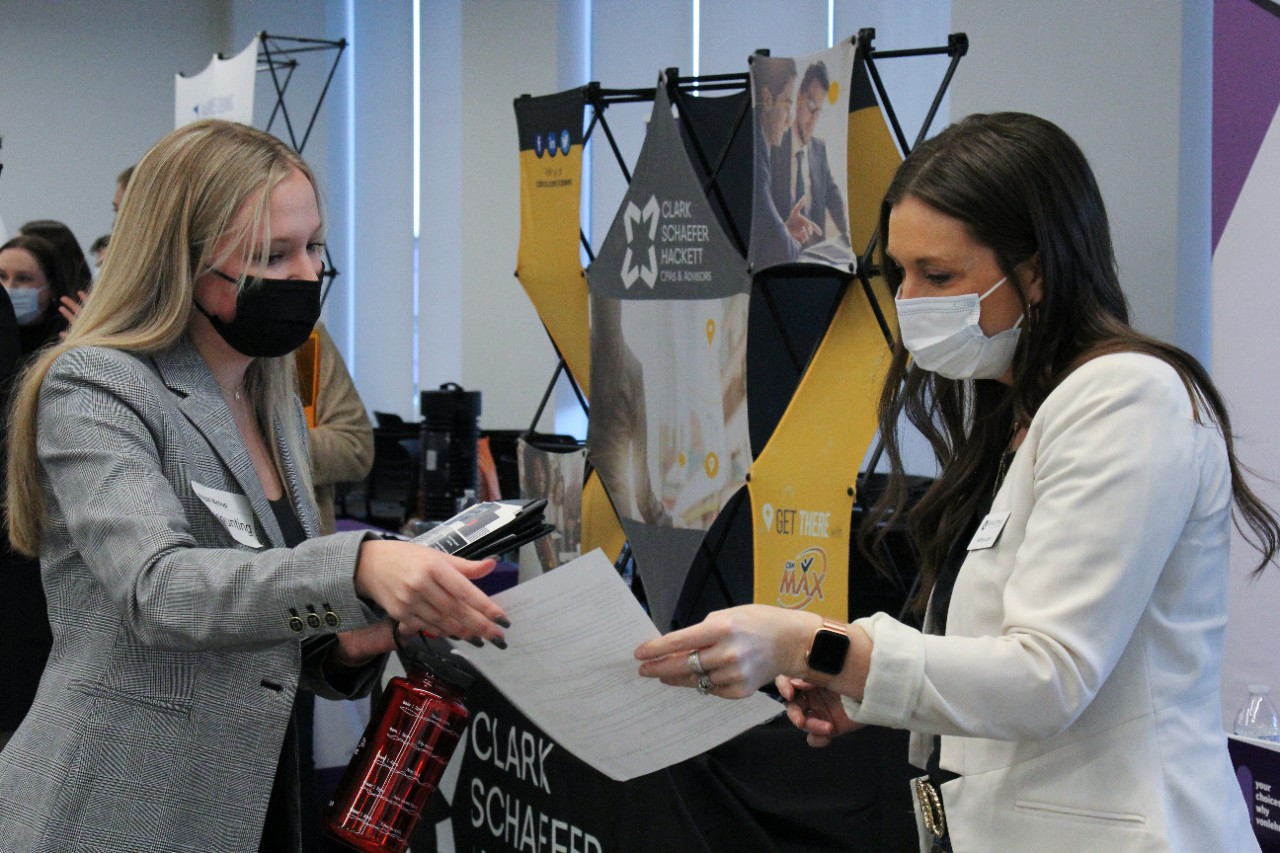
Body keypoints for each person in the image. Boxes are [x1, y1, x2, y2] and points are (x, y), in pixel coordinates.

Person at [636, 112, 1277, 852]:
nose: (910, 300)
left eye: (938, 276)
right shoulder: (1022, 415)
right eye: (900, 274)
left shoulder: (1126, 399)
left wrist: (809, 645)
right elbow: (996, 659)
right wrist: (862, 688)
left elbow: (1046, 676)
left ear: (1036, 271)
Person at [0, 119, 509, 851]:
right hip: (117, 804)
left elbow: (257, 618)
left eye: (314, 247)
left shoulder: (268, 392)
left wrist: (346, 644)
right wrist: (356, 564)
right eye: (272, 254)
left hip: (244, 801)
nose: (304, 274)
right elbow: (159, 590)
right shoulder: (98, 385)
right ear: (181, 261)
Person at [748, 55, 820, 270]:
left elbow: (767, 233)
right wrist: (795, 245)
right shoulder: (756, 154)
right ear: (767, 98)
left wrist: (784, 230)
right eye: (787, 106)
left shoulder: (761, 147)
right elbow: (780, 248)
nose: (789, 121)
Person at [772, 61, 848, 248]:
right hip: (782, 252)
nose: (814, 119)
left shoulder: (819, 149)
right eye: (811, 106)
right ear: (799, 97)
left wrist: (849, 235)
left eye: (819, 112)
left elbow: (833, 197)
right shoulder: (775, 145)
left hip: (815, 254)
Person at [0, 233, 71, 354]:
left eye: (23, 278)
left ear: (52, 287)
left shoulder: (69, 340)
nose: (8, 288)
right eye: (1, 276)